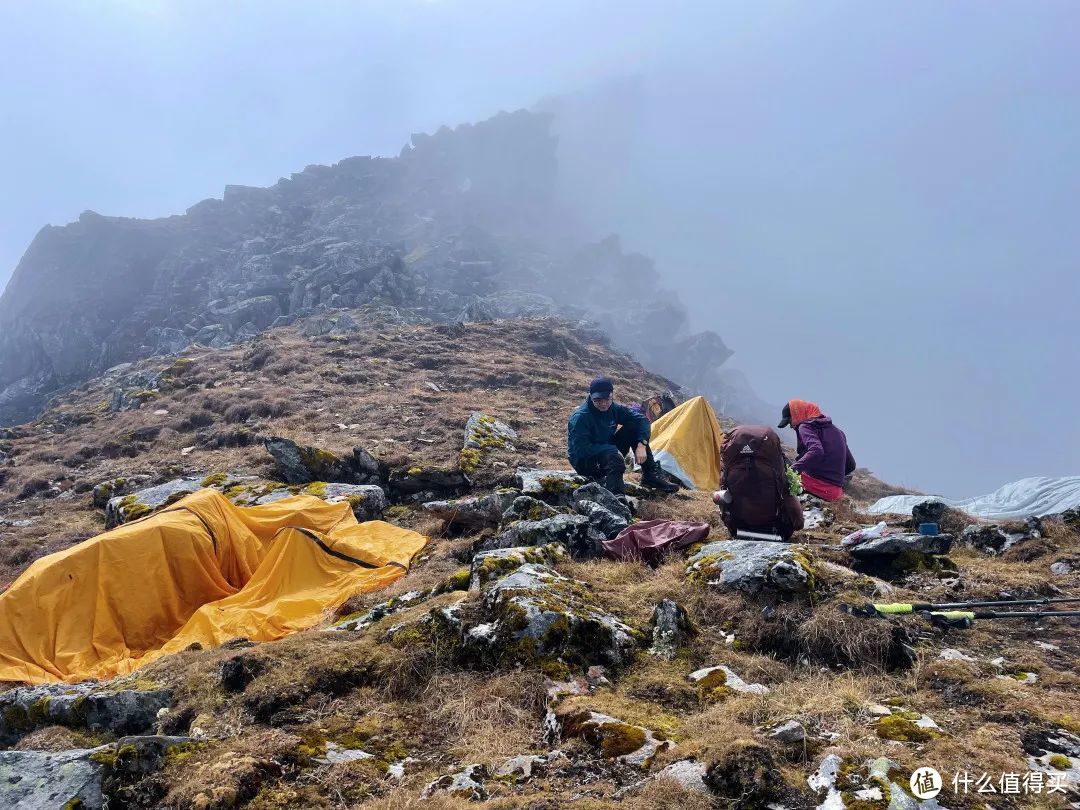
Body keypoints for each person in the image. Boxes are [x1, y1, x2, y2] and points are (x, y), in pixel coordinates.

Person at [567, 376, 679, 494]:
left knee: (633, 427)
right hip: (586, 463)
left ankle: (650, 476)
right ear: (591, 396)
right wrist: (612, 449)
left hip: (607, 451)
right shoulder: (581, 417)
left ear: (611, 395)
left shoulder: (613, 408)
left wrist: (642, 444)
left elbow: (641, 420)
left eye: (607, 399)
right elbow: (581, 450)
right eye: (598, 400)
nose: (604, 404)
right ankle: (616, 496)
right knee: (615, 458)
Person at [713, 425, 804, 540]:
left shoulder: (731, 463)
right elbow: (796, 518)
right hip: (776, 530)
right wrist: (798, 521)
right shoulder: (777, 464)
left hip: (738, 529)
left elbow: (722, 493)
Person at [777, 399, 856, 502]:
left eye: (790, 421)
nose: (791, 426)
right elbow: (851, 465)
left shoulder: (805, 427)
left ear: (797, 414)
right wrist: (832, 479)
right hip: (836, 493)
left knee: (780, 463)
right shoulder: (838, 432)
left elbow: (816, 450)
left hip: (815, 487)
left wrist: (793, 470)